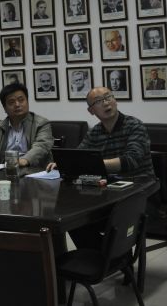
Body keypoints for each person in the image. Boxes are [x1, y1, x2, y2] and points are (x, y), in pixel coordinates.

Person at [47, 87, 153, 248]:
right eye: (98, 101)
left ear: (115, 100)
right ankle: (99, 257)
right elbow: (79, 156)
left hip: (141, 190)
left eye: (108, 97)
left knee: (114, 216)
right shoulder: (95, 132)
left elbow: (131, 160)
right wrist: (63, 163)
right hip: (110, 191)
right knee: (72, 216)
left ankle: (113, 257)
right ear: (91, 111)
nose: (105, 103)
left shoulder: (135, 125)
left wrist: (95, 164)